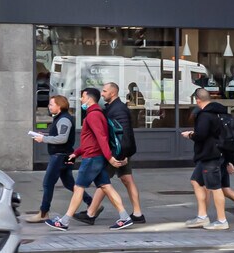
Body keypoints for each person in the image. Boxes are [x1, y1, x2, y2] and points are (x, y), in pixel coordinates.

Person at [45, 88, 133, 230]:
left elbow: (101, 138)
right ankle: (124, 217)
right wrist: (77, 153)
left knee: (78, 188)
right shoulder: (95, 114)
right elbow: (91, 140)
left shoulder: (93, 116)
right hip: (94, 156)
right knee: (106, 187)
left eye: (82, 97)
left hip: (92, 158)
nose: (81, 99)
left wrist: (109, 158)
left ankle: (64, 221)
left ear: (89, 98)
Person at [182, 88, 234, 230]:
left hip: (210, 156)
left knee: (215, 188)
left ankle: (222, 220)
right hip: (219, 155)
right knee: (196, 181)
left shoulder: (205, 115)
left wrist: (190, 134)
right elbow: (224, 138)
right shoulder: (221, 113)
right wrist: (228, 160)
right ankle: (202, 216)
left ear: (198, 100)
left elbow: (201, 135)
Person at [88, 81, 145, 225]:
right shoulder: (114, 107)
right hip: (122, 150)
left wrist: (121, 154)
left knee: (103, 181)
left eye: (105, 91)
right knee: (127, 179)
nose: (102, 93)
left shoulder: (118, 109)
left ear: (113, 93)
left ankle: (90, 213)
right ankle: (138, 214)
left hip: (118, 151)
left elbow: (124, 133)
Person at [25, 94, 77, 224]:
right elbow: (59, 135)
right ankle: (92, 204)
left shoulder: (64, 119)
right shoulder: (61, 118)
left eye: (51, 104)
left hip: (59, 156)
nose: (49, 107)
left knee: (48, 184)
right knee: (70, 183)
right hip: (65, 155)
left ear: (59, 106)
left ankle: (43, 213)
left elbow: (62, 138)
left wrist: (44, 139)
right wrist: (47, 135)